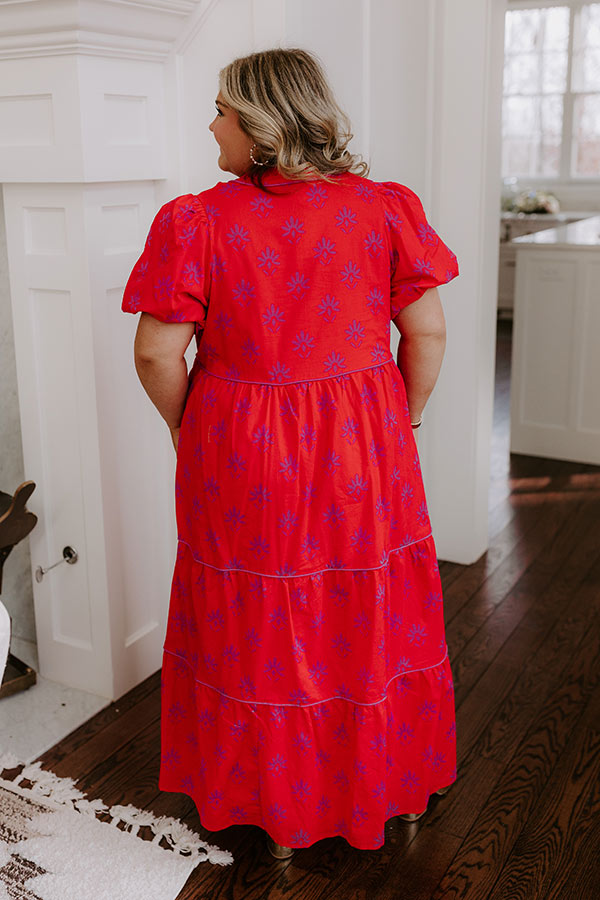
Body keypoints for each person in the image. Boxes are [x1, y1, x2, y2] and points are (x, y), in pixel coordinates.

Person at [122, 48, 458, 858]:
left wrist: (185, 426)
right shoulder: (383, 209)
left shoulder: (199, 221)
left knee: (260, 623)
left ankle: (271, 810)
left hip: (242, 447)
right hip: (363, 444)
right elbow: (427, 333)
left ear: (260, 123)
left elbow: (157, 353)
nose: (211, 125)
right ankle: (390, 790)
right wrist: (404, 420)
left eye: (221, 111)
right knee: (369, 610)